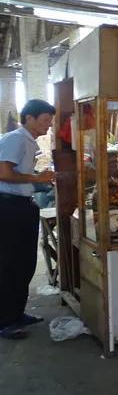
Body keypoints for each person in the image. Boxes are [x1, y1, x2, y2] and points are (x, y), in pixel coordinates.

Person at [0, 99, 56, 340]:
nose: (49, 125)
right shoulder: (16, 138)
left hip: (21, 206)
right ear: (29, 118)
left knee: (24, 264)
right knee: (10, 264)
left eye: (50, 121)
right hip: (9, 208)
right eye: (45, 120)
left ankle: (16, 313)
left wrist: (39, 179)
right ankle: (4, 321)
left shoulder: (28, 141)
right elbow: (4, 173)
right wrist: (37, 179)